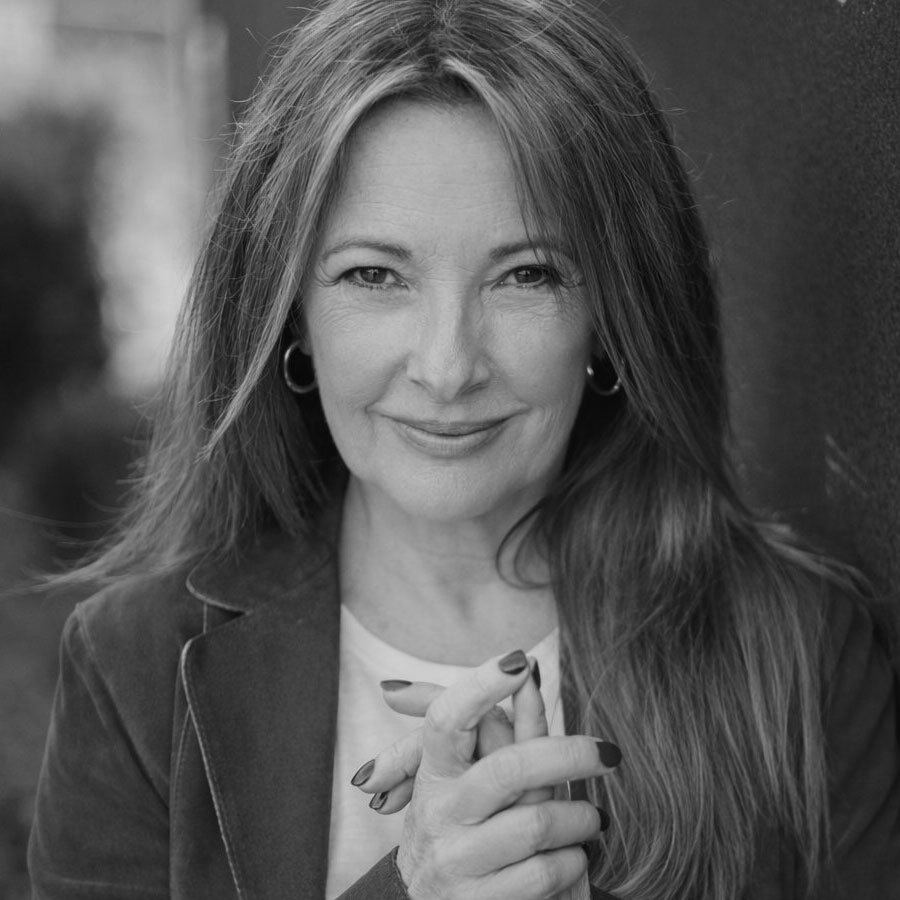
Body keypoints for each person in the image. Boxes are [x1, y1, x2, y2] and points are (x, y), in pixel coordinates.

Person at [28, 0, 900, 897]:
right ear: (290, 313)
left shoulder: (804, 655)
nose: (448, 368)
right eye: (375, 274)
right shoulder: (134, 668)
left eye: (527, 274)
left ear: (611, 317)